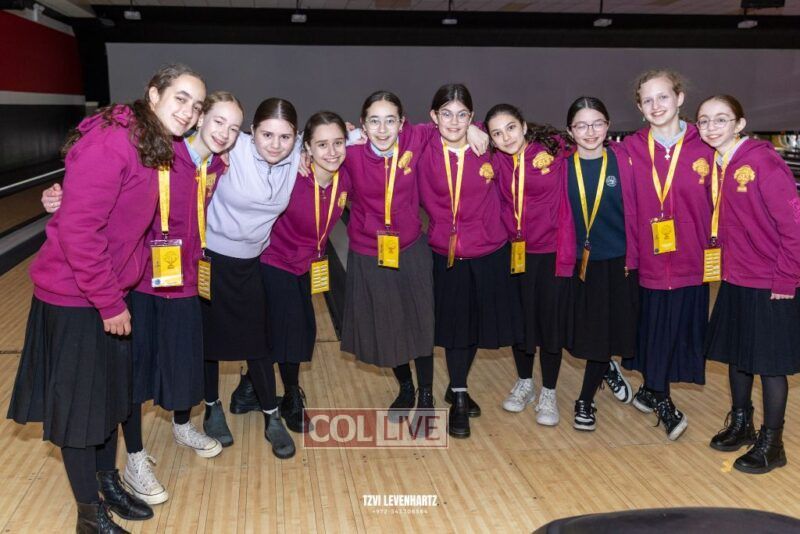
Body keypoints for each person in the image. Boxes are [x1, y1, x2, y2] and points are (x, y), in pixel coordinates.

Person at [8, 64, 206, 532]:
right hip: (77, 299)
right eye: (180, 98)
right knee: (82, 410)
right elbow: (81, 232)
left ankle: (107, 482)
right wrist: (110, 303)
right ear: (153, 94)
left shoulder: (149, 142)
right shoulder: (114, 141)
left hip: (108, 292)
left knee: (110, 401)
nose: (189, 112)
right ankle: (88, 514)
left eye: (197, 106)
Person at [38, 91, 244, 504]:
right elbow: (102, 197)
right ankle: (134, 456)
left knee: (183, 364)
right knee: (134, 376)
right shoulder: (160, 152)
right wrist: (62, 199)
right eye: (218, 121)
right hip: (143, 282)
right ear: (199, 119)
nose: (225, 133)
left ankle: (182, 426)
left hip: (186, 279)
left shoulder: (217, 164)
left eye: (235, 128)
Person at [700, 95, 800, 473]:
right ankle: (742, 423)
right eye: (704, 120)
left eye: (721, 119)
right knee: (738, 356)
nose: (711, 127)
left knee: (770, 365)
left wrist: (786, 278)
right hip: (736, 276)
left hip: (770, 280)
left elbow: (794, 227)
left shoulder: (762, 162)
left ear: (740, 124)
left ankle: (773, 443)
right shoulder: (719, 163)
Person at [201, 98, 301, 459]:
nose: (275, 144)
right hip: (210, 259)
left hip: (251, 264)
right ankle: (211, 407)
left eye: (285, 137)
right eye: (266, 135)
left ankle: (272, 415)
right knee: (208, 342)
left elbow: (346, 138)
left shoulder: (298, 154)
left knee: (259, 343)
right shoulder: (232, 146)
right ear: (251, 132)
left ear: (296, 137)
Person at [419, 84, 520, 438]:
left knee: (475, 325)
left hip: (489, 252)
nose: (454, 122)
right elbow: (388, 132)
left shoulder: (488, 148)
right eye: (446, 114)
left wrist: (480, 131)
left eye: (462, 115)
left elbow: (535, 142)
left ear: (472, 117)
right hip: (446, 255)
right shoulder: (423, 149)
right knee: (455, 329)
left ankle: (456, 383)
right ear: (433, 117)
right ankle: (460, 397)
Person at [622, 69, 714, 441]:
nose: (656, 105)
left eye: (663, 96)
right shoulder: (629, 148)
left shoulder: (705, 145)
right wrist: (475, 131)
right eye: (647, 100)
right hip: (648, 259)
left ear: (679, 98)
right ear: (639, 107)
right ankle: (661, 398)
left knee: (679, 331)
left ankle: (650, 389)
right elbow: (576, 148)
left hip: (692, 259)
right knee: (654, 329)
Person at [259, 111, 351, 433]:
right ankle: (291, 396)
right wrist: (294, 153)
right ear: (307, 148)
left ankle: (248, 386)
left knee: (283, 330)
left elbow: (387, 139)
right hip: (274, 260)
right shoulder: (291, 174)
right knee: (296, 330)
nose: (332, 152)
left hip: (308, 264)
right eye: (322, 144)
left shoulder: (345, 177)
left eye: (338, 143)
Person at [485, 103, 576, 426]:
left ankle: (548, 391)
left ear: (523, 126)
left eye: (511, 128)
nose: (506, 137)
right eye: (497, 133)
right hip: (515, 252)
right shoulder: (496, 160)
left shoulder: (554, 151)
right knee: (520, 322)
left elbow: (585, 141)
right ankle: (525, 382)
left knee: (550, 324)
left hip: (551, 252)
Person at [562, 97, 639, 431]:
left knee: (604, 333)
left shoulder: (624, 162)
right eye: (581, 125)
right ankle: (605, 366)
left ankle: (585, 399)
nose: (590, 132)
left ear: (608, 126)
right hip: (578, 263)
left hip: (619, 261)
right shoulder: (559, 166)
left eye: (597, 124)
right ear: (570, 131)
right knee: (587, 334)